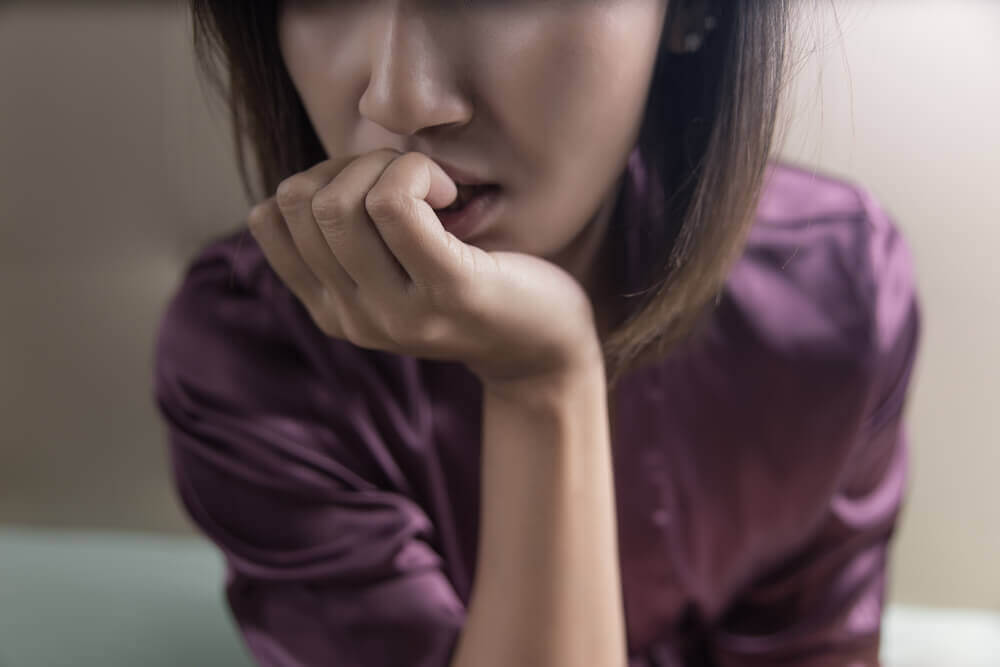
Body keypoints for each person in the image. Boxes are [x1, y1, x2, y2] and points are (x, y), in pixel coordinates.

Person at [154, 1, 922, 665]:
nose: (400, 97)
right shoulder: (251, 348)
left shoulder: (830, 294)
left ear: (692, 11)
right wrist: (539, 381)